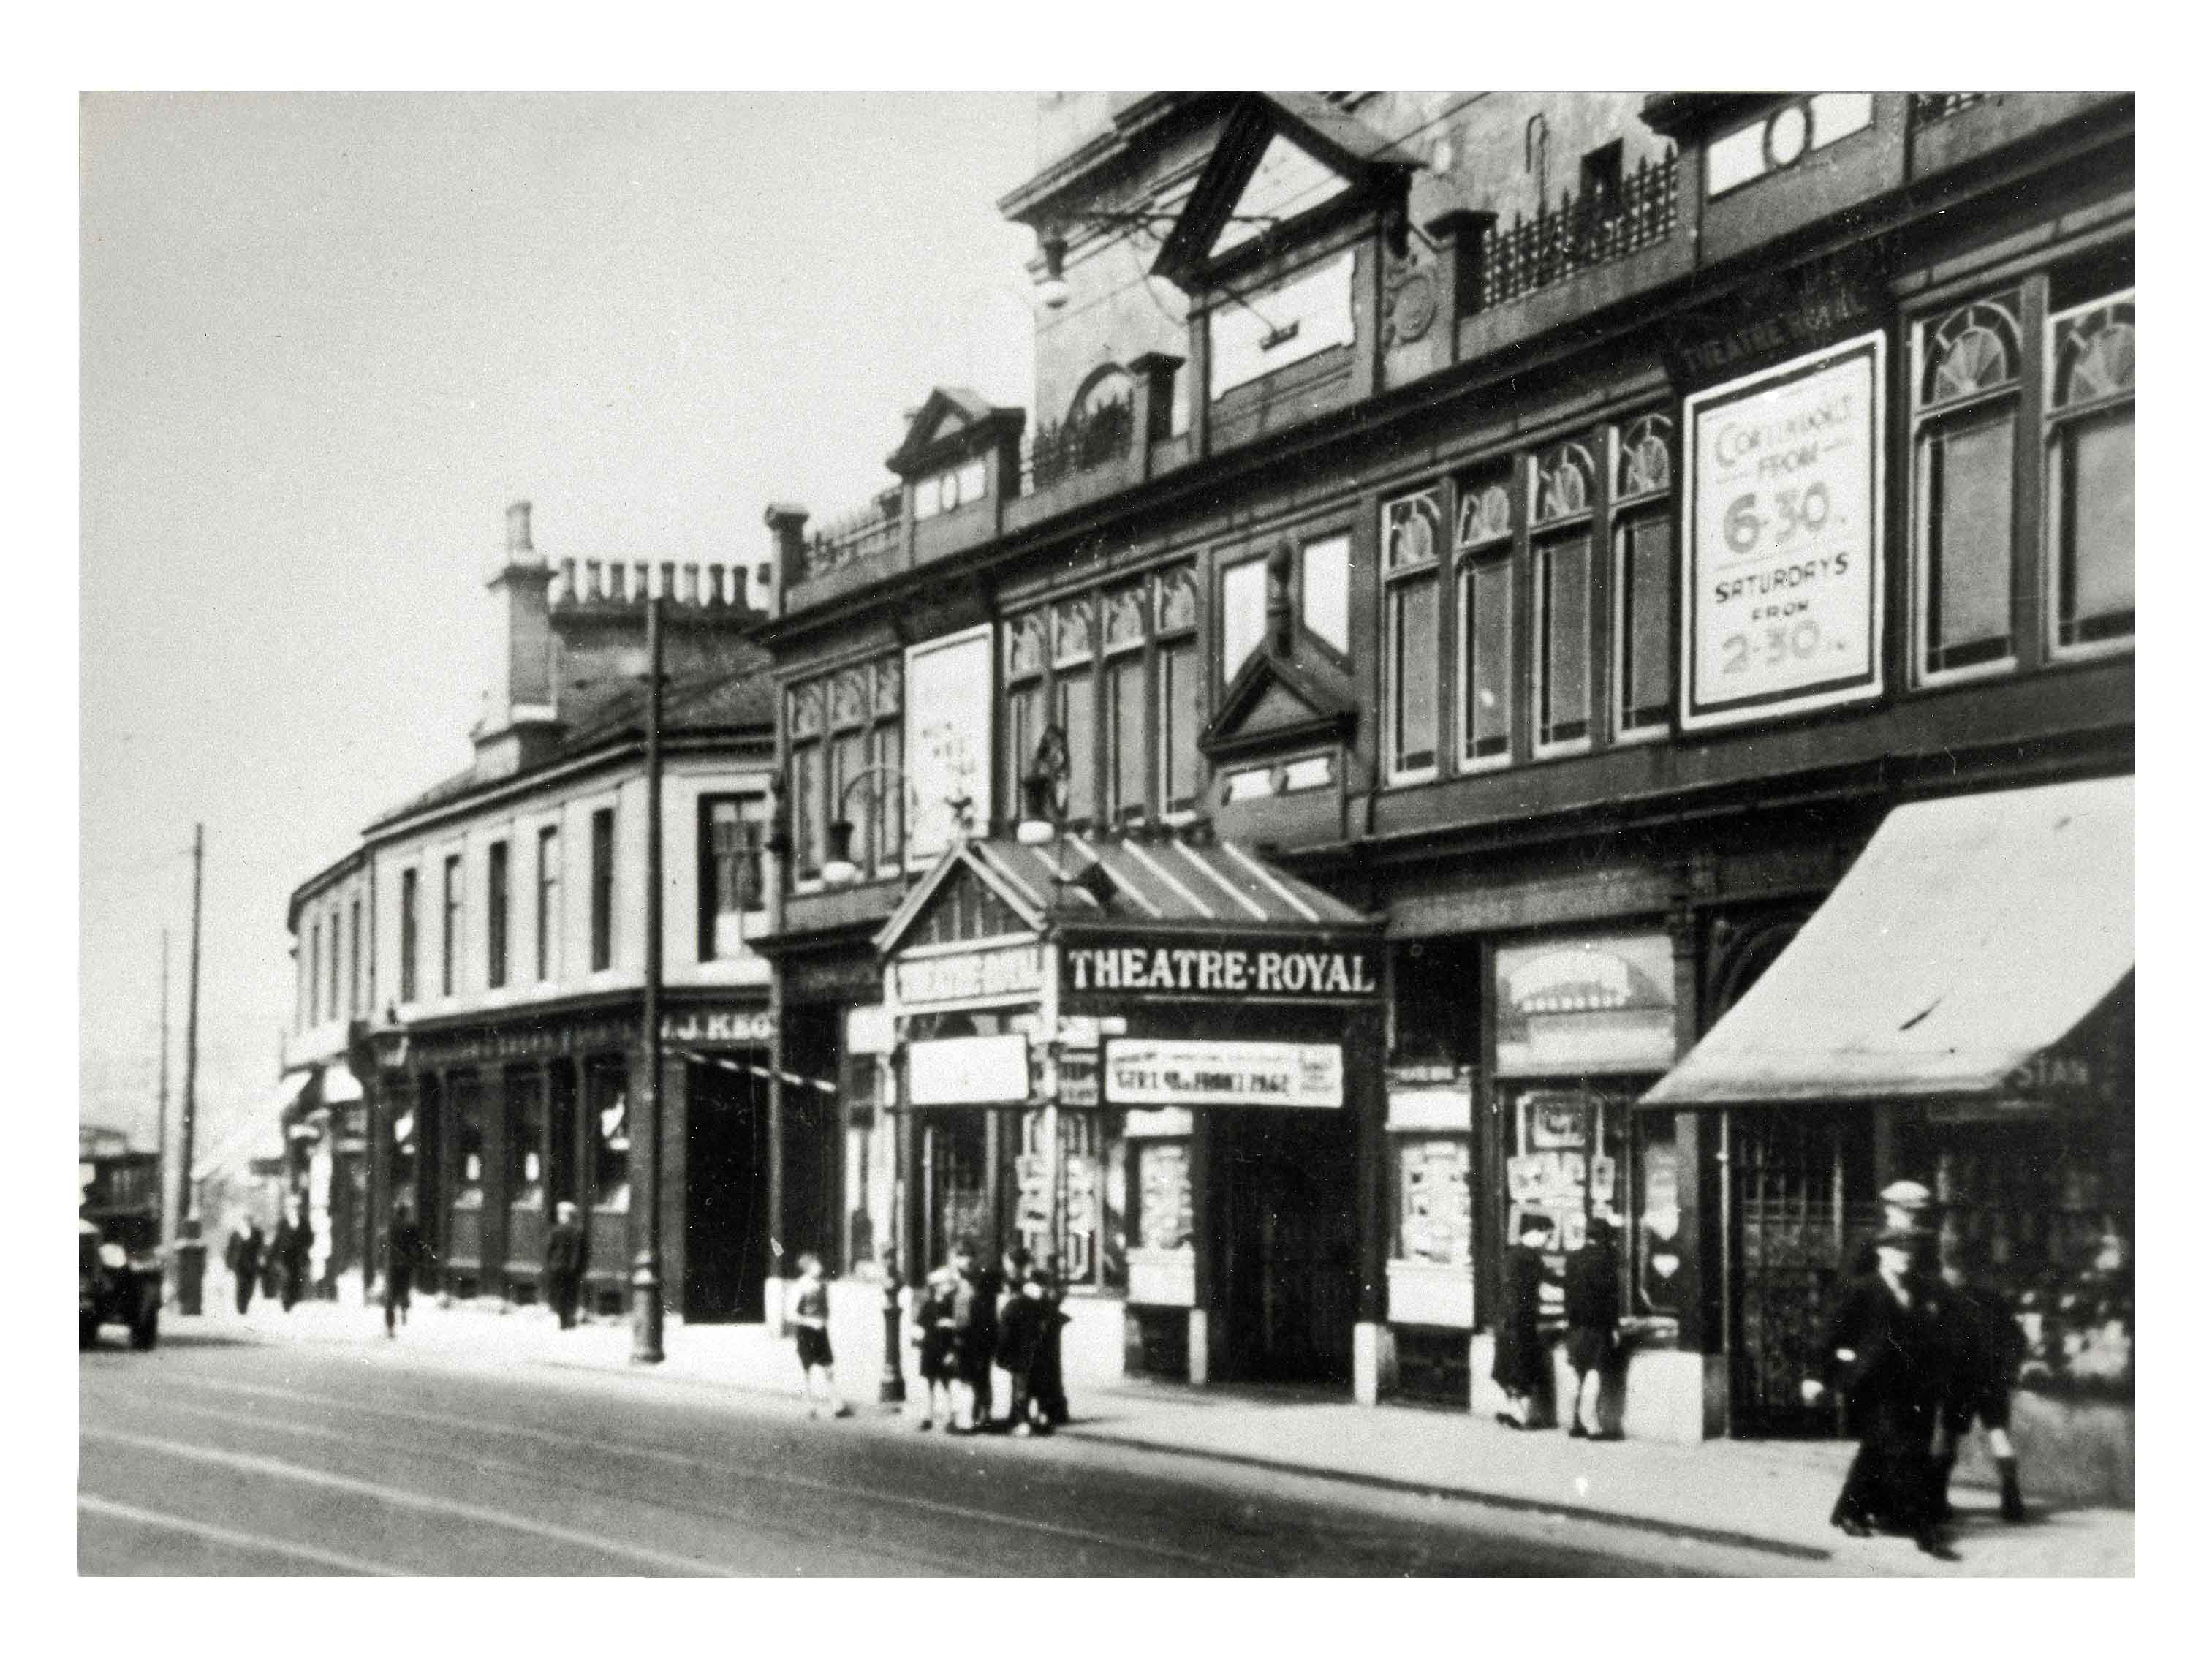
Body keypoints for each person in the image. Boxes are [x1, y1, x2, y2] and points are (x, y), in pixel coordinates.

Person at [1803, 1223, 1957, 1558]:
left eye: (1909, 1253)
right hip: (1873, 1385)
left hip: (1914, 1386)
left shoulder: (1920, 1290)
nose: (1904, 1258)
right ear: (1881, 1254)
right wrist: (1816, 1375)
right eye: (1897, 1251)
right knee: (1905, 1452)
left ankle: (1848, 1511)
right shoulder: (1863, 1289)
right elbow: (1830, 1333)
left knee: (1877, 1450)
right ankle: (1924, 1532)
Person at [1933, 1251, 2030, 1524]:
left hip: (1960, 1381)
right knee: (1999, 1435)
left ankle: (1938, 1499)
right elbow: (2017, 1338)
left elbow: (1940, 1344)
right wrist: (2008, 1371)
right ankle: (2012, 1497)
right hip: (1993, 1380)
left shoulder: (1946, 1303)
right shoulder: (1994, 1301)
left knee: (1949, 1437)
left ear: (1952, 1273)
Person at [1563, 1217, 1623, 1440]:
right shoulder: (1606, 1261)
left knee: (1577, 1373)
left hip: (1576, 1327)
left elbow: (1568, 1294)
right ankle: (1592, 1425)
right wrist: (1614, 1327)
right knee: (1594, 1374)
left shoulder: (1573, 1259)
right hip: (1598, 1327)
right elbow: (1610, 1299)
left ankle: (1574, 1422)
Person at [1493, 1214, 1553, 1430]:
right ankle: (1520, 1415)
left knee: (1522, 1370)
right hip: (1514, 1322)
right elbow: (1513, 1292)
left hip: (1524, 1321)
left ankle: (1517, 1415)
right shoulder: (1515, 1257)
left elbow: (1545, 1280)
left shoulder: (1533, 1257)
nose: (1548, 1241)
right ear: (1535, 1233)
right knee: (1516, 1369)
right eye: (1547, 1235)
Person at [789, 1253, 851, 1418]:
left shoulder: (823, 1285)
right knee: (806, 1369)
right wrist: (810, 1322)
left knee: (828, 1368)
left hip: (821, 1331)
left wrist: (824, 1320)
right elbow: (790, 1314)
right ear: (808, 1268)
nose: (820, 1267)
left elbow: (826, 1308)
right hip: (806, 1332)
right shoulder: (800, 1286)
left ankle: (837, 1405)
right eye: (816, 1264)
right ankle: (809, 1406)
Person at [995, 1266, 1050, 1437]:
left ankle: (1021, 1421)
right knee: (1037, 1386)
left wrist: (1000, 1354)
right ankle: (1041, 1417)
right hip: (1038, 1353)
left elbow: (1005, 1333)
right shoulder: (1043, 1303)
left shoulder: (1014, 1305)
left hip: (1018, 1353)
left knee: (1020, 1388)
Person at [948, 1241, 996, 1434]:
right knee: (969, 1378)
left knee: (977, 1378)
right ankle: (974, 1416)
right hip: (965, 1338)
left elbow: (985, 1314)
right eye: (961, 1256)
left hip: (976, 1337)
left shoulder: (980, 1284)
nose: (966, 1261)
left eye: (968, 1256)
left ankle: (978, 1417)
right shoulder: (956, 1285)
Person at [909, 1266, 960, 1432]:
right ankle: (927, 1416)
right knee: (928, 1384)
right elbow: (920, 1326)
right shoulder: (928, 1305)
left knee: (947, 1385)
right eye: (946, 1284)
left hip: (945, 1351)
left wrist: (953, 1351)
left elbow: (955, 1332)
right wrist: (918, 1334)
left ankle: (951, 1417)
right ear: (937, 1286)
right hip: (929, 1350)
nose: (950, 1287)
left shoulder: (952, 1306)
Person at [1031, 1256, 1070, 1430]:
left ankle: (1050, 1409)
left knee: (1048, 1371)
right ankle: (1052, 1409)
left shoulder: (1049, 1287)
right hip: (1047, 1333)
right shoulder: (1050, 1286)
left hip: (1048, 1332)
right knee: (1050, 1371)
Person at [384, 1201, 428, 1338]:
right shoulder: (411, 1227)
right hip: (406, 1265)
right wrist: (418, 1260)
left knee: (391, 1294)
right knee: (404, 1289)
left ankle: (391, 1326)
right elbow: (418, 1245)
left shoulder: (392, 1227)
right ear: (406, 1213)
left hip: (393, 1265)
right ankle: (403, 1307)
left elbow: (386, 1246)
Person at [543, 1201, 585, 1330]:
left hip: (557, 1266)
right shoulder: (578, 1231)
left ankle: (563, 1320)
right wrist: (576, 1267)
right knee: (570, 1293)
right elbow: (578, 1251)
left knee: (560, 1293)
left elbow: (549, 1249)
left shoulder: (555, 1230)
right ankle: (569, 1319)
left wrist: (550, 1264)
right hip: (572, 1268)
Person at [276, 1198, 312, 1312]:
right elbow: (278, 1240)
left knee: (296, 1279)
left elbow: (310, 1238)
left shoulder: (304, 1222)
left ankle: (293, 1301)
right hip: (285, 1256)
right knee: (287, 1278)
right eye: (291, 1207)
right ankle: (286, 1302)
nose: (294, 1210)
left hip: (299, 1257)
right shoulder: (283, 1223)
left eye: (296, 1207)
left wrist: (305, 1248)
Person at [225, 1215, 265, 1317]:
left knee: (251, 1286)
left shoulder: (257, 1233)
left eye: (249, 1221)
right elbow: (230, 1249)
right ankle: (241, 1307)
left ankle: (246, 1301)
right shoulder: (236, 1234)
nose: (248, 1223)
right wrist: (228, 1264)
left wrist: (262, 1258)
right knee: (241, 1284)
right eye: (246, 1221)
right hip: (239, 1264)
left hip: (252, 1264)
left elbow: (261, 1247)